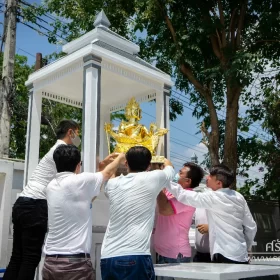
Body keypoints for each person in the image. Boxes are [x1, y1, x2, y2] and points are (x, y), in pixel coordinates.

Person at [4, 120, 80, 280]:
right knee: (30, 259)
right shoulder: (62, 151)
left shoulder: (53, 150)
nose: (78, 137)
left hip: (22, 203)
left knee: (17, 256)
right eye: (77, 133)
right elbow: (71, 179)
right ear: (70, 132)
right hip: (36, 205)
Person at [42, 145, 125, 280]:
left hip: (51, 263)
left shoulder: (51, 186)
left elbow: (87, 197)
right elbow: (107, 174)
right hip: (75, 265)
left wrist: (100, 168)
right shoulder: (79, 181)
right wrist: (120, 158)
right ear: (78, 165)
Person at [100, 146, 175, 280]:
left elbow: (105, 174)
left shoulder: (112, 184)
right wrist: (159, 159)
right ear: (148, 165)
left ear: (126, 163)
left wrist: (116, 159)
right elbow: (169, 166)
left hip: (108, 256)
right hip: (136, 256)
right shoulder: (155, 177)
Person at [166, 164, 257, 264]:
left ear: (218, 183)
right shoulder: (239, 197)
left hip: (224, 256)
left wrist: (163, 180)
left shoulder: (213, 197)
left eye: (210, 177)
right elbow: (251, 227)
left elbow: (183, 195)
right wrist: (247, 247)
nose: (206, 178)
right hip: (241, 255)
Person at [153, 162, 204, 279]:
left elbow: (164, 209)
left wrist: (160, 183)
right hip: (162, 252)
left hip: (175, 255)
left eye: (180, 173)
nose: (176, 174)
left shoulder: (188, 197)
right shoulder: (172, 191)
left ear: (188, 181)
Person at [192, 183, 211, 263]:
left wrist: (211, 228)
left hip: (215, 257)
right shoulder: (198, 207)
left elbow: (229, 226)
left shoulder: (221, 207)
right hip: (199, 255)